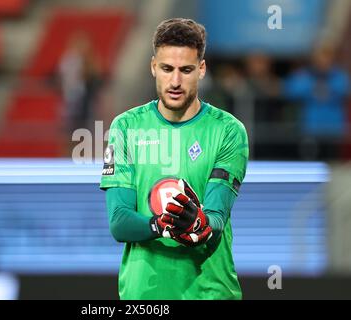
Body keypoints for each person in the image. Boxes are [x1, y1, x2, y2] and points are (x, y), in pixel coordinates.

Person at [99, 18, 249, 300]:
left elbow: (216, 217)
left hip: (210, 292)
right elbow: (118, 222)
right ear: (153, 66)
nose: (176, 81)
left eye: (186, 70)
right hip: (144, 295)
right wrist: (162, 225)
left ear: (201, 70)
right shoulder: (125, 128)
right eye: (167, 69)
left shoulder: (228, 131)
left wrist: (199, 226)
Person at [284, 44, 349, 160]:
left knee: (333, 165)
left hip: (333, 130)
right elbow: (290, 91)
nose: (323, 61)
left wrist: (316, 90)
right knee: (310, 164)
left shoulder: (340, 76)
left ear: (332, 59)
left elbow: (345, 89)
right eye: (320, 57)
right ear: (313, 59)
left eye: (326, 57)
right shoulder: (302, 75)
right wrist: (316, 89)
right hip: (310, 129)